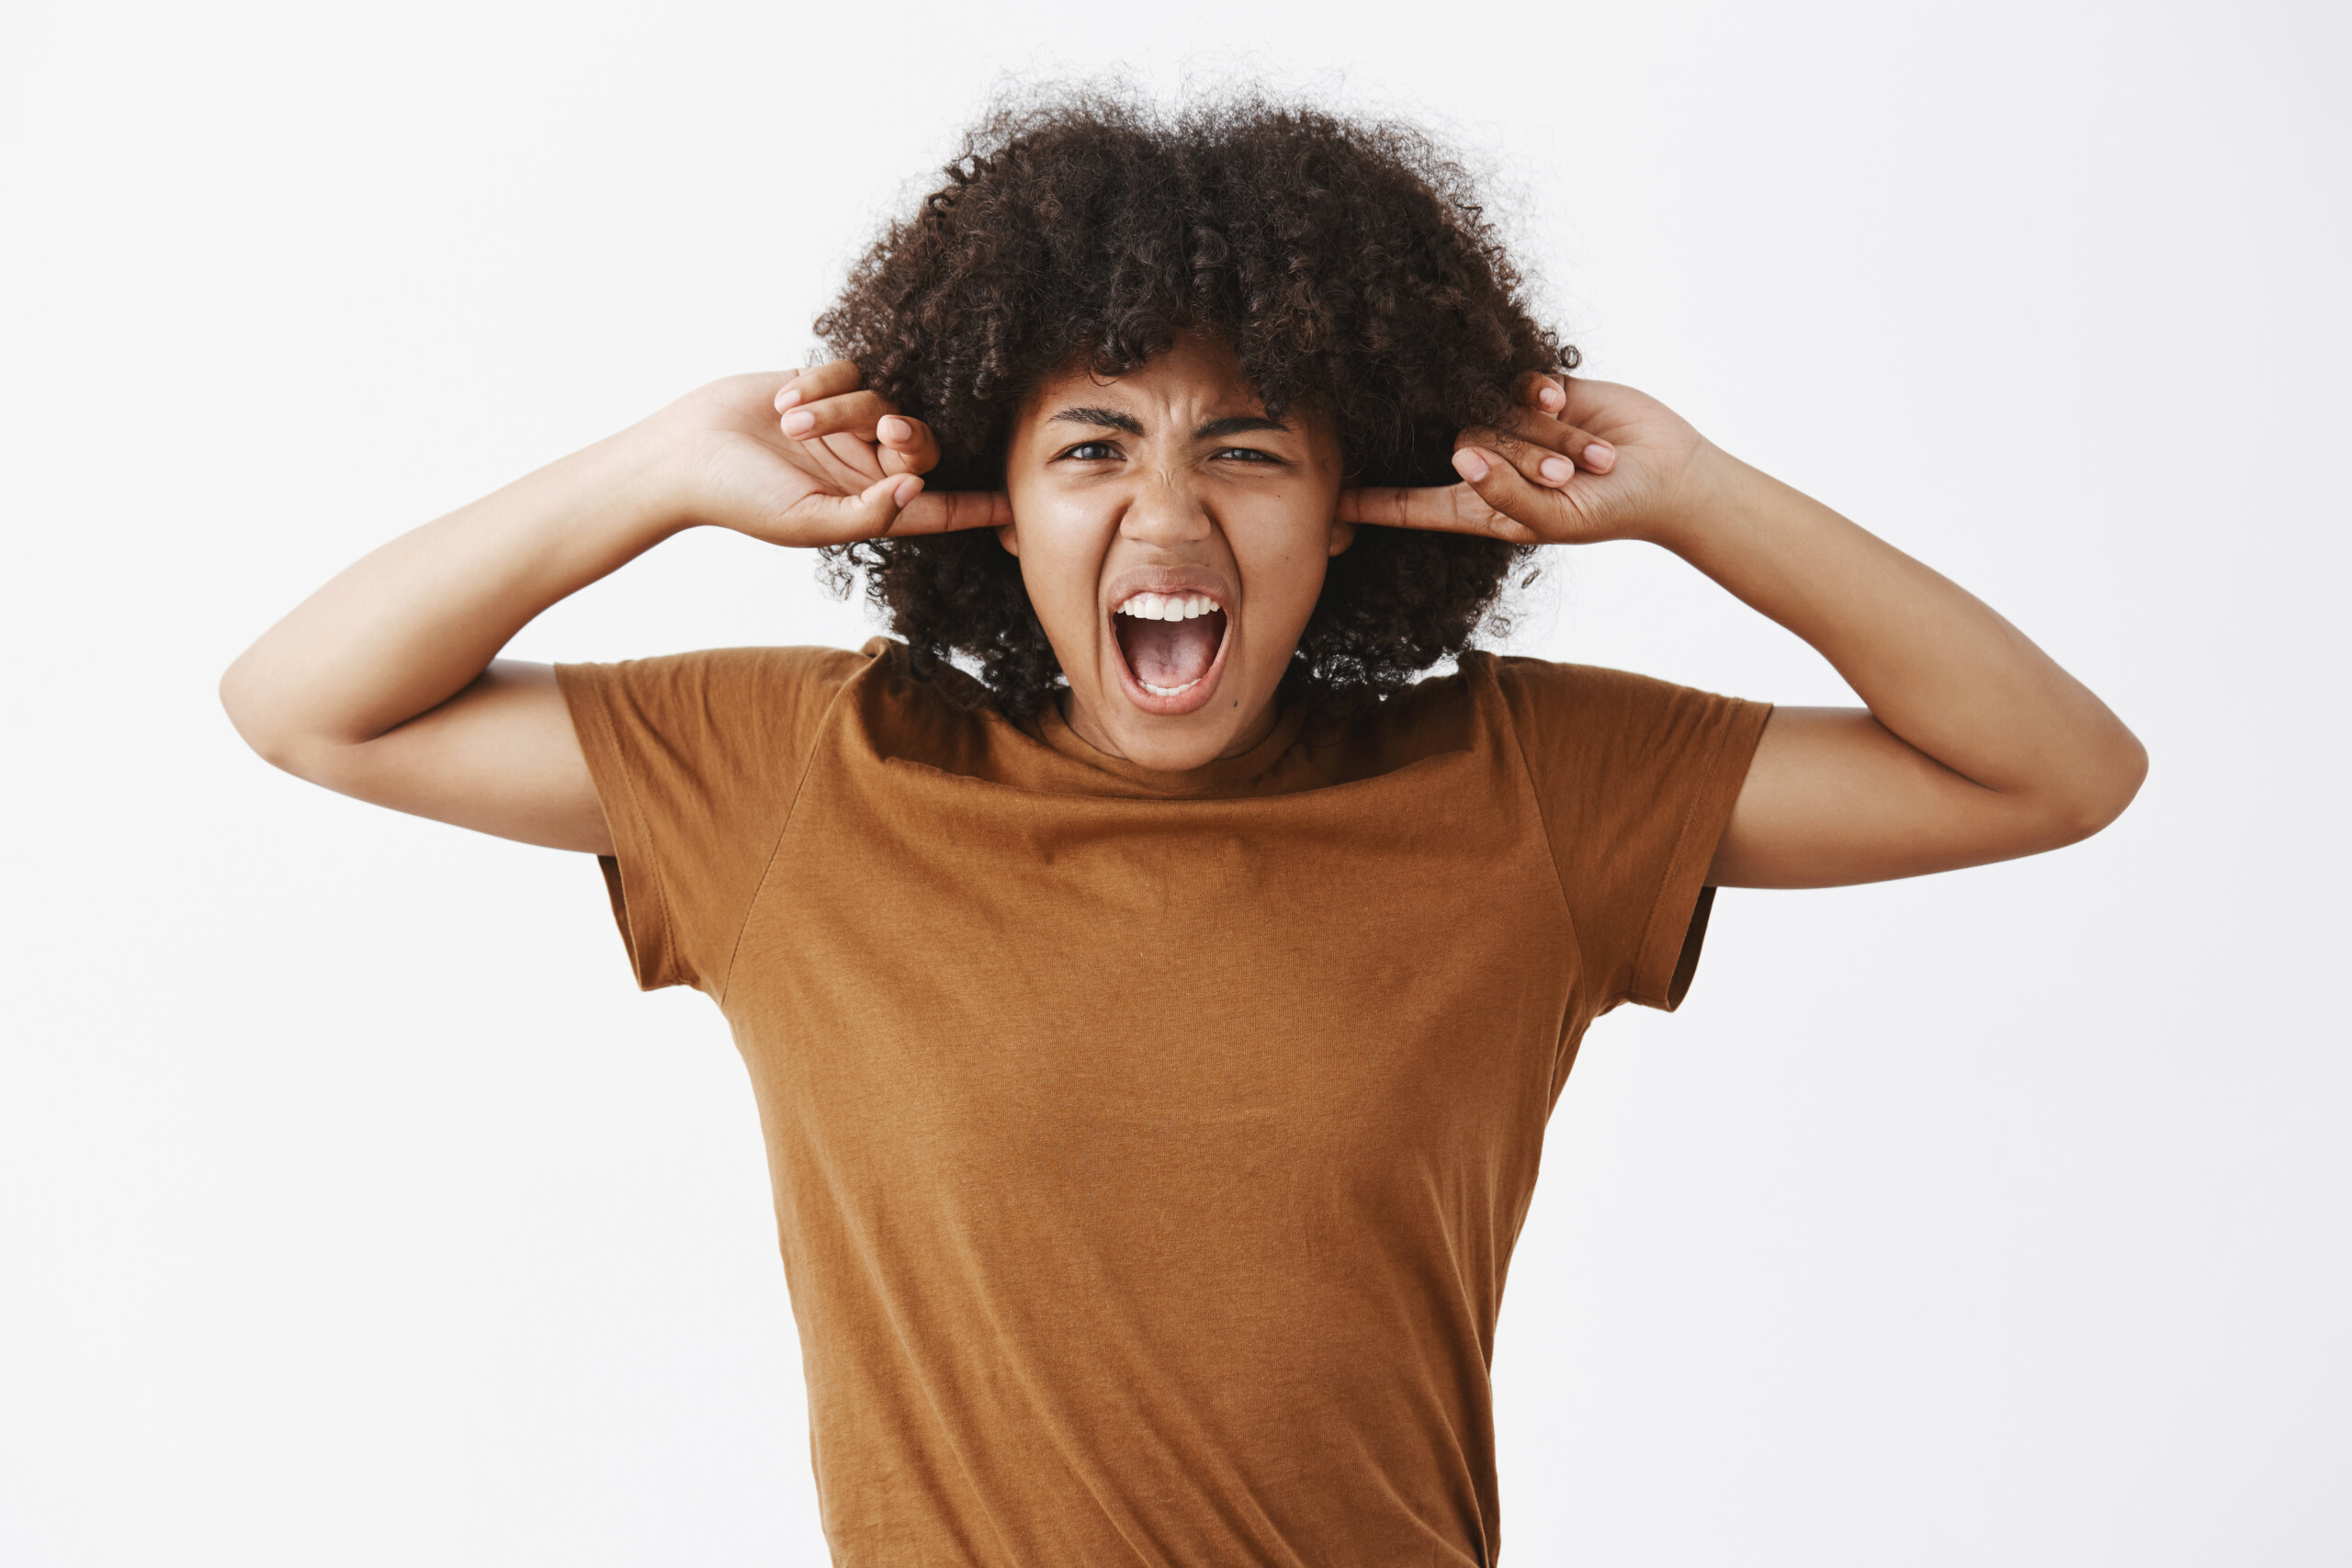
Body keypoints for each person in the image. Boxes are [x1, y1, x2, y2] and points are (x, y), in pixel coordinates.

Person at [220, 93, 2145, 1567]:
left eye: (1245, 448)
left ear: (1350, 509)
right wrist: (649, 469)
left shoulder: (1523, 789)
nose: (1168, 507)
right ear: (992, 493)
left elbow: (2047, 769)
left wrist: (1694, 494)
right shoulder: (808, 774)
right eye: (1091, 444)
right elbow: (308, 699)